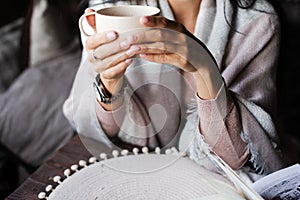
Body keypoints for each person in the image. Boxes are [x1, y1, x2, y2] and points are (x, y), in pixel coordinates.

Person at [63, 0, 284, 177]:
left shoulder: (257, 20)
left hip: (214, 179)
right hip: (133, 168)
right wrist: (109, 83)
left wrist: (204, 69)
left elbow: (236, 155)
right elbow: (96, 125)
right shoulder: (110, 11)